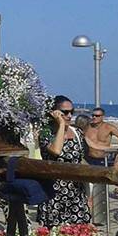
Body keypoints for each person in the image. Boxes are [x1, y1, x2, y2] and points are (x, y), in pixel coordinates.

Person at [37, 95, 91, 227]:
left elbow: (82, 158)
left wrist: (89, 192)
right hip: (53, 193)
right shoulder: (46, 133)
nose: (69, 116)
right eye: (65, 112)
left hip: (76, 193)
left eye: (71, 112)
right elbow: (56, 151)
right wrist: (61, 124)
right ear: (54, 113)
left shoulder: (77, 132)